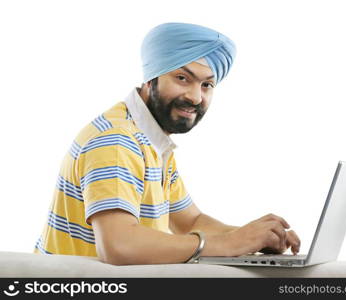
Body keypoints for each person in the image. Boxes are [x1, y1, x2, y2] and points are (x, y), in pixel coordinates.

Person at [34, 22, 301, 265]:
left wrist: (255, 237)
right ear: (151, 78)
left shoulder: (152, 141)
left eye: (207, 84)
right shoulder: (116, 142)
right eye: (182, 78)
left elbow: (190, 222)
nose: (196, 97)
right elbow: (119, 247)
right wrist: (231, 243)